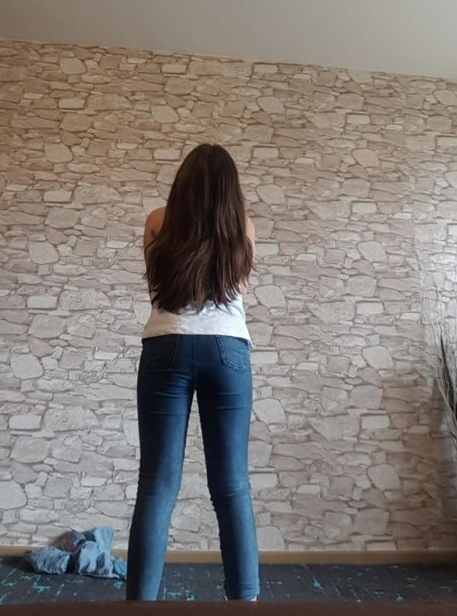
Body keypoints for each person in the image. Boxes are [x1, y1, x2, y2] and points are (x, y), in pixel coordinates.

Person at [125, 143, 260, 602]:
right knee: (232, 486)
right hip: (228, 350)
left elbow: (158, 288)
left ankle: (139, 606)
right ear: (229, 189)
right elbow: (239, 289)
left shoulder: (157, 221)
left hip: (167, 345)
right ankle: (246, 603)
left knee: (157, 486)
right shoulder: (243, 226)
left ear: (182, 184)